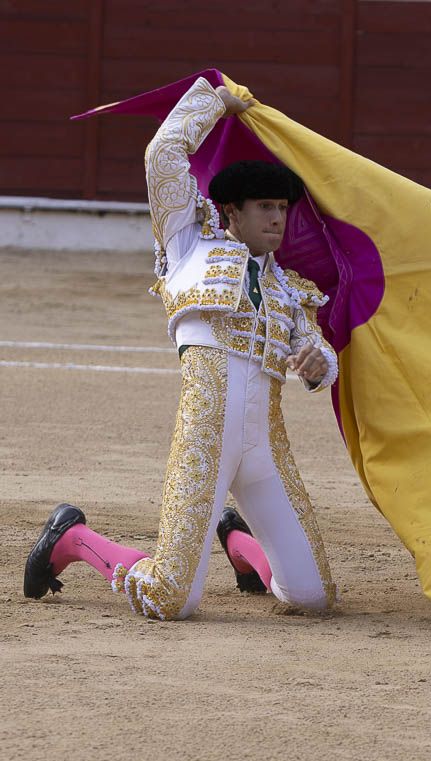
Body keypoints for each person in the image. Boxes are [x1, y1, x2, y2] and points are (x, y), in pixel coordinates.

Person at [23, 76, 338, 620]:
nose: (277, 219)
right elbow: (163, 151)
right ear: (232, 212)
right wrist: (215, 102)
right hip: (204, 442)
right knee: (170, 598)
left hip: (267, 448)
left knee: (313, 597)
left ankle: (240, 546)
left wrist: (318, 364)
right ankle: (73, 539)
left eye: (283, 208)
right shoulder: (189, 241)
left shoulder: (289, 289)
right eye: (264, 207)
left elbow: (321, 357)